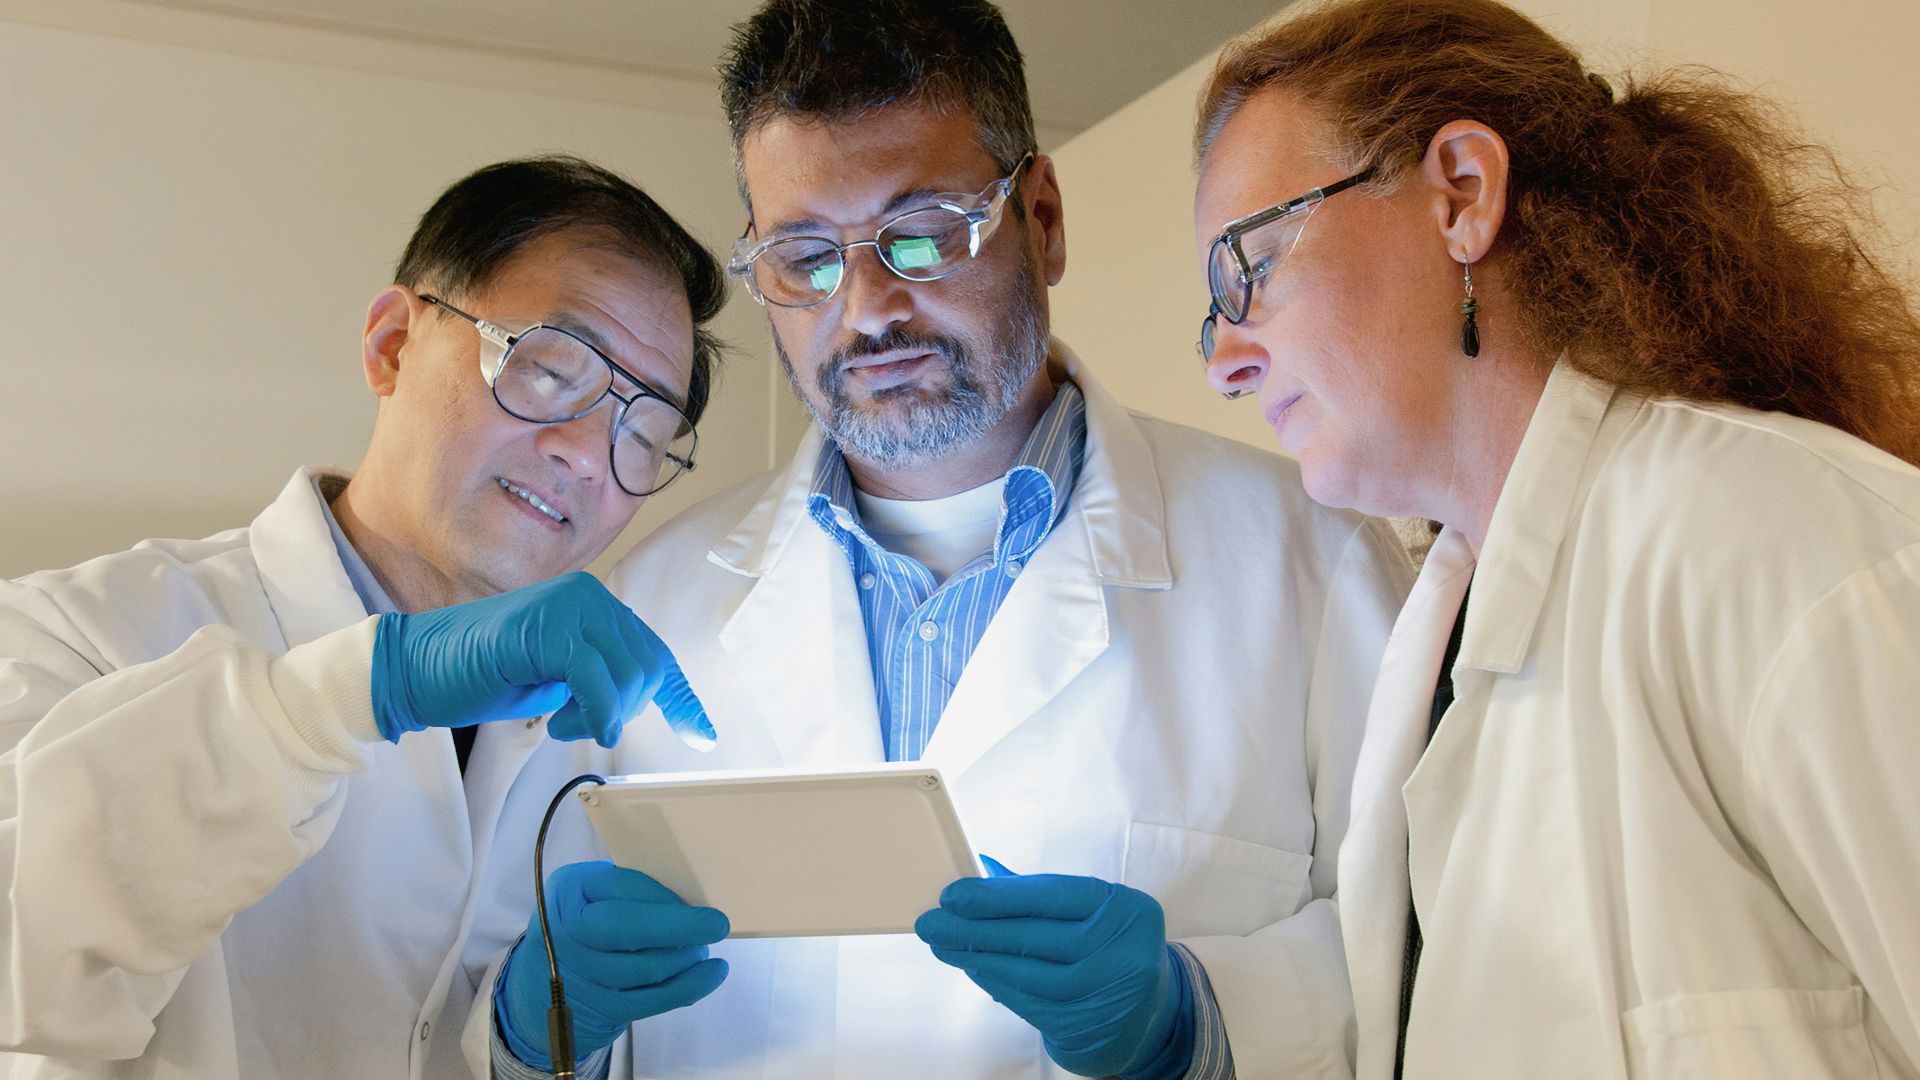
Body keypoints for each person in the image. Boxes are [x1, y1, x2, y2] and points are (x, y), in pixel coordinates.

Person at [591, 1, 1416, 1076]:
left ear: (1044, 217)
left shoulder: (1316, 564)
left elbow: (1431, 958)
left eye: (925, 230)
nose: (869, 309)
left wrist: (1196, 1022)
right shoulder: (646, 609)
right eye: (805, 257)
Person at [1190, 0, 1920, 1076]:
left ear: (1461, 195)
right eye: (1212, 313)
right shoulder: (1431, 646)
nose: (1226, 360)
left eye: (1245, 268)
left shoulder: (1782, 542)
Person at [0, 156, 736, 1080]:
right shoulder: (78, 631)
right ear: (391, 343)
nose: (588, 455)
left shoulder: (606, 745)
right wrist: (343, 697)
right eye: (553, 368)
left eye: (642, 433)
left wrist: (522, 1043)